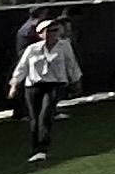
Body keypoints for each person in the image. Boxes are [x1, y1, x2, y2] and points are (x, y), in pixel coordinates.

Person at [7, 16, 82, 163]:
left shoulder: (64, 46)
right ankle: (35, 147)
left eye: (55, 30)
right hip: (34, 85)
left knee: (46, 113)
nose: (52, 33)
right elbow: (22, 67)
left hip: (55, 83)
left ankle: (43, 148)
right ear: (40, 33)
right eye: (48, 31)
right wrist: (15, 85)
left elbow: (71, 64)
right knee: (34, 118)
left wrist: (76, 80)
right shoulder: (32, 49)